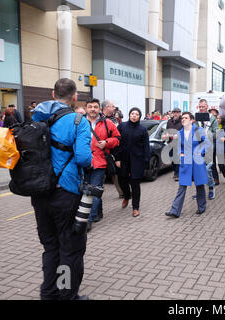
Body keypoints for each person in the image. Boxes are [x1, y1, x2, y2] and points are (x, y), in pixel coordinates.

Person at [30, 78, 92, 300]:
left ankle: (48, 294)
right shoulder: (78, 121)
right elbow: (84, 158)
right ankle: (66, 295)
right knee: (69, 249)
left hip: (39, 192)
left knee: (50, 247)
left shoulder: (36, 117)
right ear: (74, 96)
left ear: (52, 94)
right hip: (65, 193)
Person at [165, 112, 210, 218]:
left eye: (186, 118)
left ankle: (201, 207)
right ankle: (175, 210)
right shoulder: (180, 133)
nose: (183, 119)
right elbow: (178, 146)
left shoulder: (199, 131)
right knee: (182, 186)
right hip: (186, 162)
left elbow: (207, 143)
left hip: (197, 162)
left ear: (192, 120)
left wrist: (201, 151)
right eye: (182, 118)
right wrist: (180, 154)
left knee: (199, 185)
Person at [85, 98, 121, 232]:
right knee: (87, 191)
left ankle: (88, 219)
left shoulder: (107, 123)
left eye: (95, 107)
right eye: (90, 107)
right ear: (86, 108)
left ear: (99, 109)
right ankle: (97, 212)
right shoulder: (79, 122)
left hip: (100, 162)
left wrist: (107, 142)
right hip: (83, 162)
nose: (93, 109)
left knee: (94, 190)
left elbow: (117, 138)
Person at [114, 108, 150, 217]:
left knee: (135, 184)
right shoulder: (122, 126)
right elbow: (117, 143)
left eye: (137, 114)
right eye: (132, 114)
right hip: (123, 160)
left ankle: (135, 207)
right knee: (122, 181)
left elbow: (146, 147)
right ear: (129, 115)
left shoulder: (142, 129)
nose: (134, 116)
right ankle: (126, 195)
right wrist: (117, 158)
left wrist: (146, 161)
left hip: (137, 160)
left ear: (140, 116)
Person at [195, 99, 218, 199]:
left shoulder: (212, 118)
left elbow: (216, 131)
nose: (201, 108)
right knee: (197, 170)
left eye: (203, 106)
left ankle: (211, 187)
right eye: (200, 107)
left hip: (208, 146)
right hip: (197, 147)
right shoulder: (196, 118)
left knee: (207, 169)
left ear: (207, 106)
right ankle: (199, 192)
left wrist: (208, 134)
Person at [162, 107, 183, 181]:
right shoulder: (169, 121)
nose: (176, 114)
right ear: (172, 113)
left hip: (179, 143)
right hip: (170, 142)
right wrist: (166, 135)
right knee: (171, 158)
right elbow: (167, 130)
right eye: (174, 112)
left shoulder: (182, 121)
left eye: (177, 112)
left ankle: (177, 174)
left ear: (180, 113)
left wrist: (178, 135)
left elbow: (185, 131)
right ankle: (176, 171)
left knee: (177, 158)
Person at [213, 115, 225, 185]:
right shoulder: (213, 127)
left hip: (220, 147)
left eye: (219, 118)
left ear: (222, 119)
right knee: (212, 164)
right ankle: (216, 179)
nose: (217, 119)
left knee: (221, 164)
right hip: (212, 146)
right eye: (216, 118)